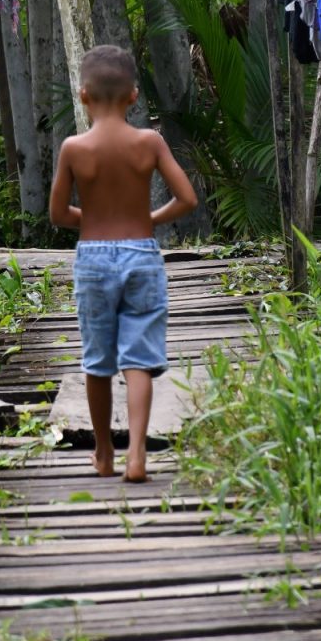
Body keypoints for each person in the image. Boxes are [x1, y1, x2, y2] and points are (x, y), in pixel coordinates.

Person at [48, 45, 199, 482]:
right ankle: (136, 453)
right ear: (134, 96)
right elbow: (186, 199)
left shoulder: (74, 148)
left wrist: (90, 218)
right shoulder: (148, 142)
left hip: (93, 258)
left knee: (98, 360)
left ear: (83, 97)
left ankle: (102, 452)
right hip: (141, 255)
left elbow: (58, 215)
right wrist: (149, 219)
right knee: (138, 359)